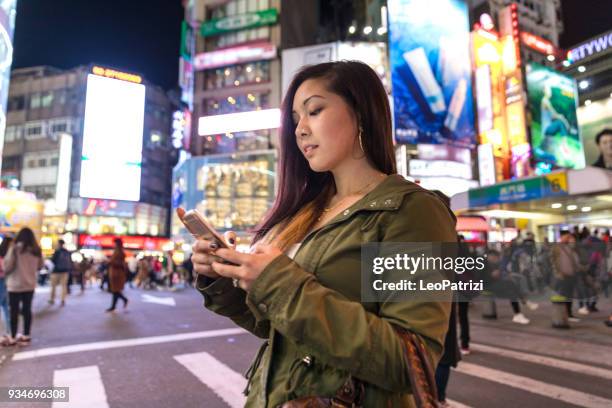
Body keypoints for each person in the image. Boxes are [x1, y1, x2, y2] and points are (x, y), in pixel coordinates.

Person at [191, 61, 456, 406]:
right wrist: (225, 278)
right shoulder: (306, 213)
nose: (300, 130)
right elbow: (283, 331)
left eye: (314, 110)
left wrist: (278, 282)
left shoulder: (413, 210)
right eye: (297, 119)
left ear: (361, 113)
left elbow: (411, 361)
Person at [3, 228, 43, 346]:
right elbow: (41, 265)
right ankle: (26, 335)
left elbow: (8, 266)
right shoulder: (36, 250)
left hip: (15, 284)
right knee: (27, 310)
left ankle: (13, 336)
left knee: (13, 311)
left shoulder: (15, 248)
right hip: (30, 284)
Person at [106, 238, 129, 312]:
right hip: (115, 273)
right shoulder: (117, 251)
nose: (114, 245)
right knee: (115, 290)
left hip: (117, 274)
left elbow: (119, 263)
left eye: (115, 243)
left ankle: (114, 305)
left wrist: (110, 262)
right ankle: (115, 305)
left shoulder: (119, 252)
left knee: (115, 290)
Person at [49, 239, 72, 306]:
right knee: (63, 286)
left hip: (56, 271)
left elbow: (52, 261)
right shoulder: (67, 252)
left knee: (53, 286)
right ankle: (63, 299)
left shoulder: (57, 251)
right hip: (65, 271)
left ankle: (52, 299)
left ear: (59, 244)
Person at [0, 237, 13, 344]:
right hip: (3, 281)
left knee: (6, 307)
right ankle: (8, 332)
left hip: (7, 281)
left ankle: (9, 331)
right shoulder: (5, 255)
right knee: (5, 307)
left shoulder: (11, 254)